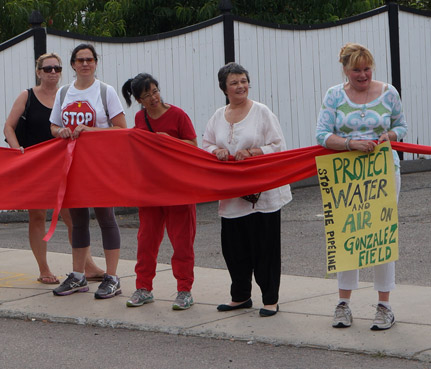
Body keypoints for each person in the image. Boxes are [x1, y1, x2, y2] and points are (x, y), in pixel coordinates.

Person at [316, 43, 407, 331]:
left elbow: (402, 128)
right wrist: (350, 144)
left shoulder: (389, 92)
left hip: (383, 172)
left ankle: (385, 305)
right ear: (345, 70)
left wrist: (386, 136)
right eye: (356, 69)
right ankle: (343, 304)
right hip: (347, 177)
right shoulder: (334, 95)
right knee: (347, 234)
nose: (363, 74)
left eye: (367, 68)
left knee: (381, 233)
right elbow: (322, 134)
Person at [3, 53, 104, 285]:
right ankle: (44, 268)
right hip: (34, 166)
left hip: (63, 164)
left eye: (56, 68)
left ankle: (86, 266)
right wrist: (17, 151)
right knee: (37, 215)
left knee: (73, 216)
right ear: (38, 72)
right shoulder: (27, 96)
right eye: (47, 69)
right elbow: (9, 126)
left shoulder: (67, 95)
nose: (52, 73)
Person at [203, 62, 292, 317]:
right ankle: (240, 296)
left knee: (265, 248)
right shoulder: (218, 116)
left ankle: (270, 299)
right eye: (234, 82)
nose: (241, 86)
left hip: (262, 195)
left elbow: (278, 146)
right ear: (224, 88)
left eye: (243, 81)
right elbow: (206, 143)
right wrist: (216, 151)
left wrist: (253, 152)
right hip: (231, 196)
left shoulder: (262, 112)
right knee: (233, 248)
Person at [49, 44, 127, 299]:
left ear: (96, 63)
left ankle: (112, 277)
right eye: (80, 60)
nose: (85, 64)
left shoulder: (106, 91)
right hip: (73, 167)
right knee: (79, 221)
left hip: (100, 166)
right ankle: (78, 275)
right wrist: (59, 131)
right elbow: (54, 125)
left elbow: (121, 129)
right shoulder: (63, 93)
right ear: (72, 64)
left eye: (89, 60)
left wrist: (90, 130)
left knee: (106, 218)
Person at [121, 73, 197, 310]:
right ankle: (143, 288)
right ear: (139, 100)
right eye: (146, 95)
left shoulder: (178, 115)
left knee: (182, 242)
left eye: (155, 91)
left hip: (178, 188)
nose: (153, 98)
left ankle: (184, 290)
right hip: (150, 189)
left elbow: (194, 146)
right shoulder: (139, 117)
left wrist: (169, 141)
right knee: (146, 241)